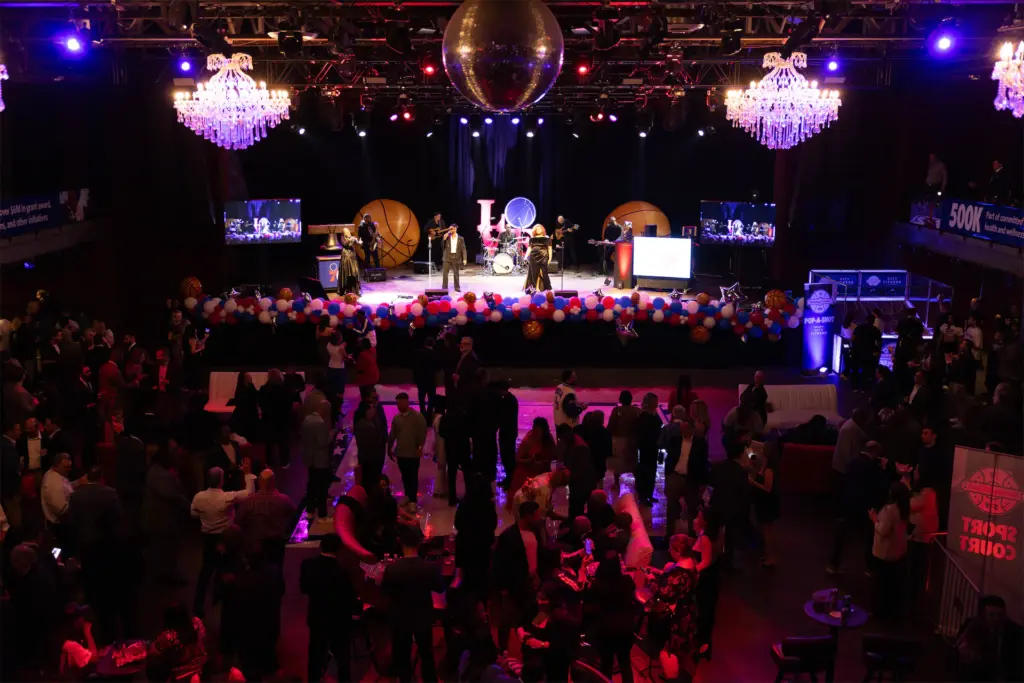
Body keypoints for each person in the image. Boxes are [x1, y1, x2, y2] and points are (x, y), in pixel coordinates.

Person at [382, 525, 443, 682]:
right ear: (419, 543)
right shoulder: (429, 568)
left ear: (401, 543)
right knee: (426, 652)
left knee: (402, 654)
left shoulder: (392, 569)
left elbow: (386, 592)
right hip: (423, 616)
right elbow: (439, 588)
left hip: (400, 617)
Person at [190, 464, 252, 617]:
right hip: (225, 538)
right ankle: (225, 600)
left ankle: (198, 605)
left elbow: (193, 514)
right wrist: (248, 474)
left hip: (208, 538)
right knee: (227, 567)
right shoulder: (226, 497)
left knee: (206, 571)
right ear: (221, 481)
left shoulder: (198, 497)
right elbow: (249, 493)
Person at [300, 532, 358, 683]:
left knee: (315, 653)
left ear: (321, 546)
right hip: (339, 618)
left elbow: (304, 588)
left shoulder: (308, 565)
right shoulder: (343, 571)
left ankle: (313, 679)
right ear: (339, 549)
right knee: (342, 655)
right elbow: (350, 597)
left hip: (317, 616)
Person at [828, 441, 888, 576]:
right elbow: (880, 486)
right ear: (875, 452)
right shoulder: (872, 466)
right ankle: (870, 567)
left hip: (850, 503)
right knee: (870, 536)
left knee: (843, 535)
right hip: (865, 506)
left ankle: (833, 564)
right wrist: (883, 469)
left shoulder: (852, 462)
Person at [648, 535, 700, 682]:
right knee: (683, 648)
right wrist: (662, 573)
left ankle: (671, 677)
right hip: (688, 610)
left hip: (677, 615)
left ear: (678, 551)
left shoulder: (677, 574)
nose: (669, 551)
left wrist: (652, 581)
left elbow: (664, 594)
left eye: (671, 549)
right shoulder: (692, 563)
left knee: (670, 650)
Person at [493, 501, 542, 651]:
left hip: (530, 583)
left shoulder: (537, 532)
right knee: (507, 619)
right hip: (513, 585)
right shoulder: (508, 536)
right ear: (528, 516)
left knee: (530, 617)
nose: (539, 518)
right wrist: (503, 587)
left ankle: (528, 649)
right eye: (537, 515)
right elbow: (500, 563)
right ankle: (502, 651)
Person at [235, 469, 297, 573]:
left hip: (255, 546)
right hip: (278, 545)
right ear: (274, 481)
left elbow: (239, 522)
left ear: (259, 481)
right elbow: (295, 518)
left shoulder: (248, 502)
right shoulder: (284, 500)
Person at [589, 551, 637, 682]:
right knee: (625, 663)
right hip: (625, 628)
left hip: (606, 630)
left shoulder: (598, 584)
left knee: (606, 664)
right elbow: (633, 592)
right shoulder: (627, 581)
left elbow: (588, 598)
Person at [662, 410, 709, 535]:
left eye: (685, 429)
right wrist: (668, 475)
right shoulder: (675, 439)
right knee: (671, 505)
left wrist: (703, 482)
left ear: (692, 429)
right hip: (675, 475)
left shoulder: (700, 443)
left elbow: (703, 463)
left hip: (691, 478)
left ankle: (692, 534)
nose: (682, 432)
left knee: (692, 507)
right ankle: (669, 533)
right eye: (681, 429)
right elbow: (669, 457)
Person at [956, 595, 1024, 682]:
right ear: (983, 615)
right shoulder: (971, 626)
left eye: (1000, 615)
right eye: (992, 615)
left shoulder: (1015, 632)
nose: (997, 619)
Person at [454, 473, 498, 597]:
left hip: (466, 545)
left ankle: (467, 597)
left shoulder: (464, 504)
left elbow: (458, 524)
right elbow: (493, 524)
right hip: (483, 546)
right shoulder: (488, 505)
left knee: (467, 575)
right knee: (482, 574)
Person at [871, 482, 909, 620]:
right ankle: (890, 613)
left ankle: (879, 614)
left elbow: (883, 530)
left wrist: (874, 519)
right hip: (896, 552)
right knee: (890, 585)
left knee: (881, 585)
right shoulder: (904, 509)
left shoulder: (890, 510)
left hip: (884, 552)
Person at [709, 443, 750, 570]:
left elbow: (711, 482)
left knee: (713, 535)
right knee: (730, 537)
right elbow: (745, 492)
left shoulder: (718, 466)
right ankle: (727, 563)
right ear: (741, 454)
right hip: (733, 508)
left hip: (717, 504)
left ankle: (711, 561)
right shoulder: (741, 471)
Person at [692, 507, 723, 660]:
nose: (696, 519)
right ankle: (704, 642)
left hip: (705, 579)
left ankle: (703, 644)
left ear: (706, 522)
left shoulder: (705, 538)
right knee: (708, 611)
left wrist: (690, 571)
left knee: (703, 611)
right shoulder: (718, 533)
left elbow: (706, 561)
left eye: (699, 517)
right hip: (714, 577)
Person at [147, 604, 207, 681]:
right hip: (201, 665)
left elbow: (152, 651)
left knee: (153, 665)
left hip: (181, 671)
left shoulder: (168, 636)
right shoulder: (197, 623)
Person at [388, 392, 428, 505]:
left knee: (413, 477)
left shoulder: (418, 417)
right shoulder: (397, 418)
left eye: (400, 403)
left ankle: (413, 500)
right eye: (397, 404)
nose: (398, 406)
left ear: (406, 402)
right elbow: (392, 435)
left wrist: (420, 447)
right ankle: (408, 496)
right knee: (405, 476)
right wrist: (389, 448)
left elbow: (422, 433)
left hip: (413, 453)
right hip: (401, 453)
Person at [505, 417, 557, 501]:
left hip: (543, 471)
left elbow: (555, 454)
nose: (535, 434)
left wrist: (546, 460)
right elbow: (517, 459)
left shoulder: (548, 439)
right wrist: (529, 460)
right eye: (534, 431)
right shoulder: (527, 441)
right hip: (528, 473)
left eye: (538, 432)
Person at [302, 400, 334, 521]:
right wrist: (331, 435)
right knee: (321, 487)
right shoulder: (320, 423)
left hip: (309, 458)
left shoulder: (307, 419)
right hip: (319, 460)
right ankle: (322, 515)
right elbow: (322, 442)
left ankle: (310, 511)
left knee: (311, 485)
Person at [557, 423, 595, 520]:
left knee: (576, 510)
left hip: (582, 484)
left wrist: (566, 477)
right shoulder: (573, 442)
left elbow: (581, 469)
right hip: (579, 483)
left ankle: (576, 525)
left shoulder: (579, 447)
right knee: (576, 509)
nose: (562, 440)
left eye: (562, 438)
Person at [749, 452, 779, 567]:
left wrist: (753, 483)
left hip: (767, 505)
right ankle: (768, 556)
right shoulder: (763, 468)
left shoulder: (769, 470)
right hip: (764, 504)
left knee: (767, 532)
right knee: (766, 531)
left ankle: (771, 558)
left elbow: (767, 488)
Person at [259, 369, 293, 468]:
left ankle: (269, 462)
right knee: (283, 442)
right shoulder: (286, 389)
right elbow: (289, 405)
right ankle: (284, 462)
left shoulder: (264, 389)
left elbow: (261, 404)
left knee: (269, 442)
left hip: (269, 419)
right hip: (283, 420)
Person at [634, 392, 663, 506]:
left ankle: (648, 494)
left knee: (651, 471)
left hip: (652, 446)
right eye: (655, 401)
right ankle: (643, 496)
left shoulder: (651, 414)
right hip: (646, 447)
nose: (657, 403)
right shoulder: (644, 416)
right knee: (645, 471)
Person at [607, 390, 640, 489]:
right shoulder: (637, 411)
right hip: (632, 441)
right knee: (633, 462)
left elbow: (611, 426)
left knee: (618, 462)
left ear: (620, 399)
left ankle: (616, 483)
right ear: (631, 399)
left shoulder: (616, 411)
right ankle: (637, 482)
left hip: (618, 440)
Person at [354, 394, 387, 489]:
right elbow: (374, 444)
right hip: (371, 459)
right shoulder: (368, 426)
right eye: (372, 408)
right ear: (367, 411)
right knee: (371, 481)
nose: (374, 410)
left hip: (366, 457)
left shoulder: (363, 422)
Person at [832, 408, 869, 486]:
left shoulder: (852, 427)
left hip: (846, 469)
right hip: (843, 470)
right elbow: (845, 452)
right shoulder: (848, 429)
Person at [576, 410, 611, 486]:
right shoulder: (604, 432)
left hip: (583, 462)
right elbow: (608, 449)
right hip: (599, 463)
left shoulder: (579, 430)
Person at [495, 380, 519, 489]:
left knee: (508, 456)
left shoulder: (509, 401)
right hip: (507, 431)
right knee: (505, 456)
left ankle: (511, 479)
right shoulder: (509, 399)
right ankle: (509, 478)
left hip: (508, 432)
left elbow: (505, 417)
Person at [851, 317, 883, 392]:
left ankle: (855, 387)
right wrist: (877, 350)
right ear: (873, 321)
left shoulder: (859, 328)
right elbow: (879, 342)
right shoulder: (875, 330)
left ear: (865, 320)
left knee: (855, 370)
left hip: (857, 352)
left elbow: (852, 338)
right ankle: (863, 388)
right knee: (865, 371)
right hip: (868, 353)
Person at [228, 372, 260, 442]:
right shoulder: (243, 390)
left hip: (248, 418)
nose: (250, 380)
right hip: (245, 419)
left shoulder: (248, 388)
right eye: (249, 379)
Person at [414, 337, 440, 418]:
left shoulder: (418, 353)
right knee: (431, 399)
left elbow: (415, 367)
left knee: (421, 398)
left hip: (420, 380)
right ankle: (429, 416)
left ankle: (422, 414)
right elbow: (438, 367)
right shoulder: (435, 354)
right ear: (433, 344)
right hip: (431, 380)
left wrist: (416, 379)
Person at [325, 331, 347, 421]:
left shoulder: (328, 345)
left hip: (330, 368)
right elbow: (344, 357)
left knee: (331, 389)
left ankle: (331, 408)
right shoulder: (341, 348)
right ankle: (339, 409)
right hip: (339, 370)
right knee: (340, 391)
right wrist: (343, 346)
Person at [524, 224, 553, 292]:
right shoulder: (532, 239)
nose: (538, 230)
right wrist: (525, 256)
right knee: (533, 272)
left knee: (544, 272)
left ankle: (547, 288)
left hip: (544, 256)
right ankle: (533, 288)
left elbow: (549, 249)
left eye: (539, 229)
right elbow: (529, 248)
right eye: (537, 229)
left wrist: (550, 258)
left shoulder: (547, 238)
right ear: (535, 230)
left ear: (542, 230)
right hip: (533, 257)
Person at [431, 395, 449, 499]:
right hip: (442, 444)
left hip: (439, 444)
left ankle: (440, 490)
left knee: (441, 467)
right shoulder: (440, 418)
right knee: (441, 468)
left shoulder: (436, 417)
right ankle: (439, 490)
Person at [442, 224, 467, 292]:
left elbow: (463, 249)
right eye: (449, 229)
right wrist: (444, 239)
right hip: (447, 257)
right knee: (445, 273)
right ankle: (444, 288)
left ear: (455, 229)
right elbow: (442, 246)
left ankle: (457, 287)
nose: (450, 230)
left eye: (451, 229)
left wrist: (464, 258)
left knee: (456, 273)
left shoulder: (460, 238)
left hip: (456, 257)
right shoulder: (447, 237)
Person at [339, 226, 361, 295]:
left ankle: (355, 290)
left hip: (352, 257)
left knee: (355, 272)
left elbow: (357, 243)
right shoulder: (342, 238)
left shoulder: (352, 238)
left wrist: (359, 242)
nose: (349, 232)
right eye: (347, 232)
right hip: (346, 257)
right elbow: (345, 245)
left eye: (349, 231)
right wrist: (351, 240)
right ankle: (348, 289)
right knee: (348, 273)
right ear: (344, 233)